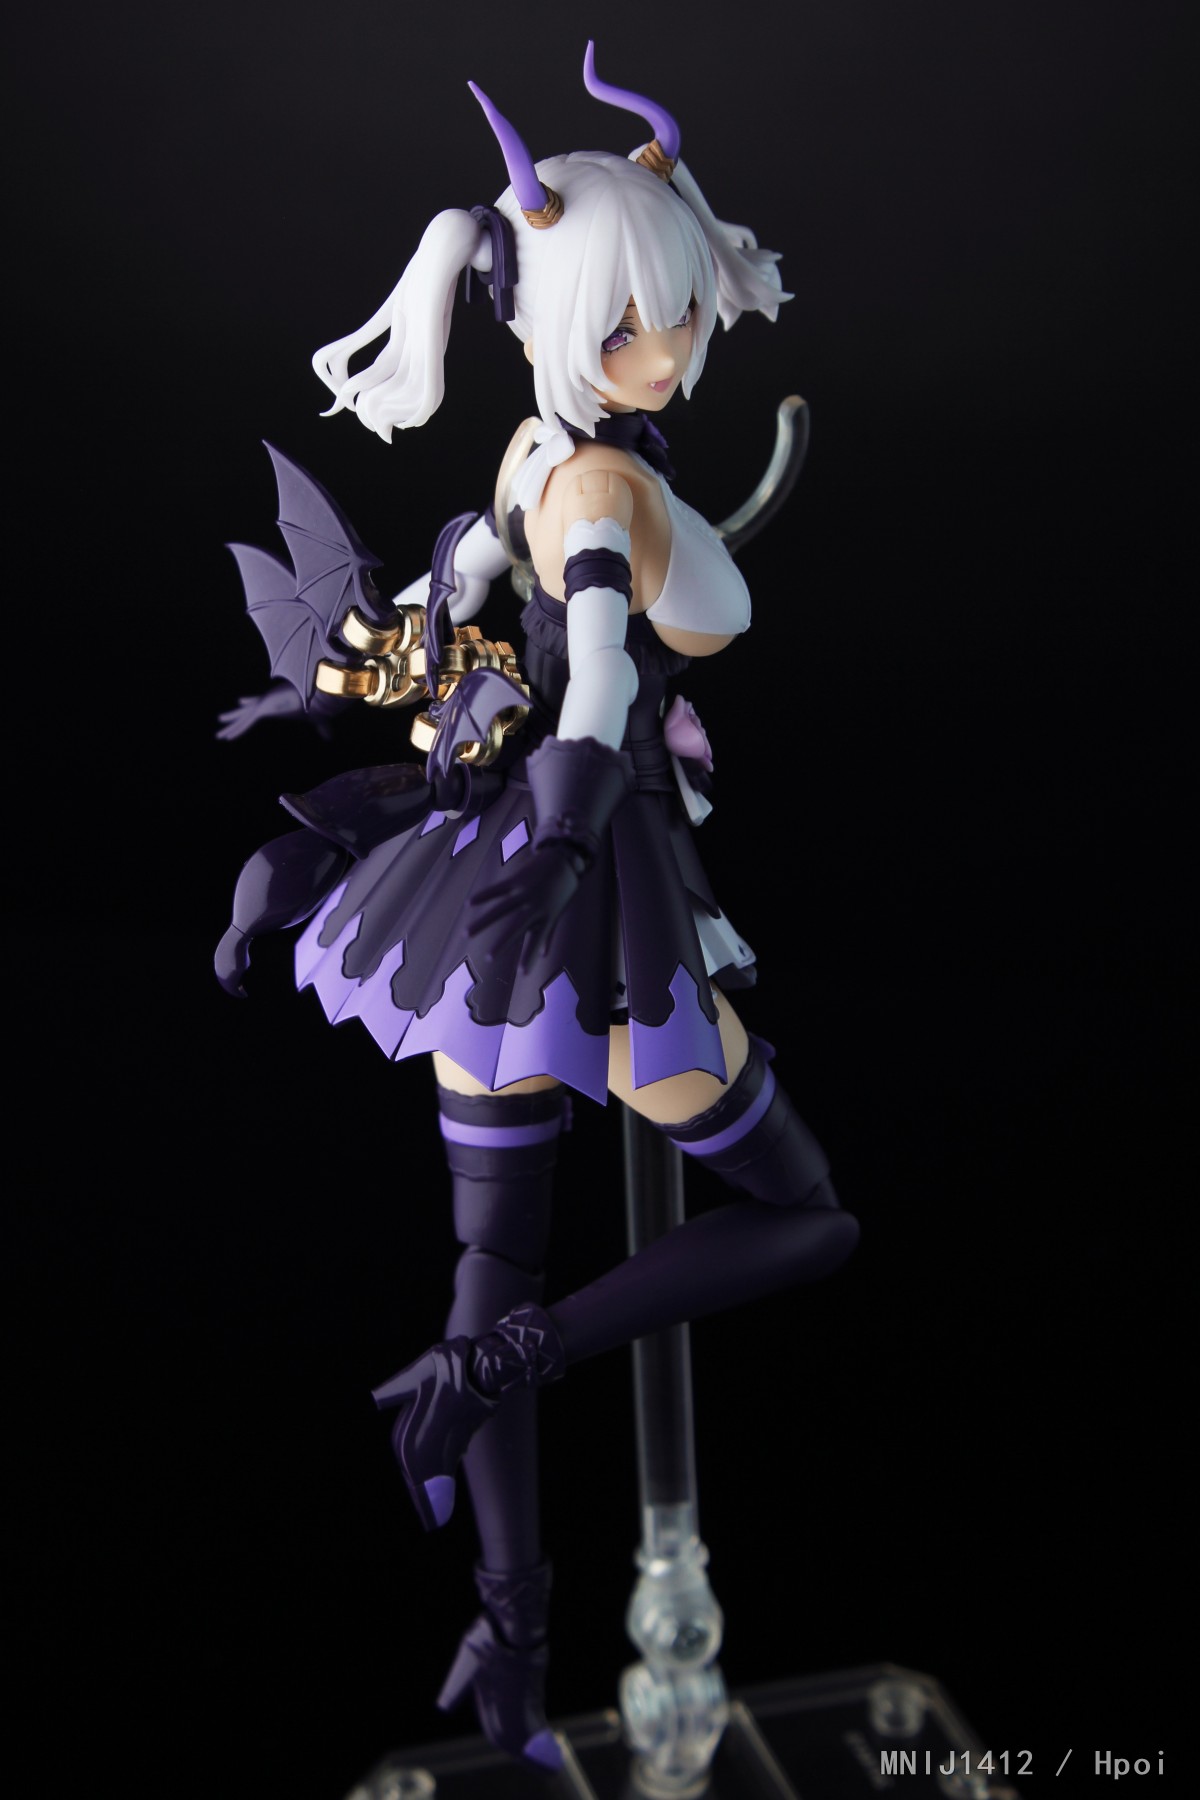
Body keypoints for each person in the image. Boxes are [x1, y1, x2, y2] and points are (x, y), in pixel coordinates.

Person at [217, 46, 858, 1771]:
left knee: (485, 1255)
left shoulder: (530, 456)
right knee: (807, 1216)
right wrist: (569, 856)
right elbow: (593, 678)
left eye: (678, 309)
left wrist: (371, 727)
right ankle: (517, 1362)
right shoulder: (597, 491)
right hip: (591, 897)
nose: (676, 343)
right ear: (557, 320)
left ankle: (508, 1637)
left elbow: (453, 613)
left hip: (483, 889)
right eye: (635, 321)